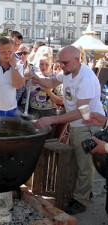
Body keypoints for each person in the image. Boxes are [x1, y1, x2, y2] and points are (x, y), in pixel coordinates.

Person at [34, 45, 105, 215]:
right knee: (79, 161)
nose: (62, 66)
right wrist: (37, 79)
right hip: (78, 123)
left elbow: (80, 111)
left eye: (65, 63)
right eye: (60, 63)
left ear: (77, 59)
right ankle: (83, 192)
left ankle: (81, 200)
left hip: (88, 124)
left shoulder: (85, 78)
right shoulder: (67, 71)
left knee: (84, 164)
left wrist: (52, 119)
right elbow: (51, 82)